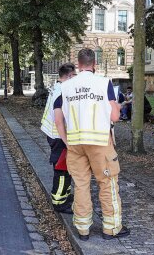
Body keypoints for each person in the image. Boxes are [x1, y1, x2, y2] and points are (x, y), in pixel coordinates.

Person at [54, 48, 130, 241]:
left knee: (80, 185)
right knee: (107, 184)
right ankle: (111, 228)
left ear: (78, 64)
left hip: (75, 143)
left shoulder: (66, 86)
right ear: (94, 64)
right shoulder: (104, 83)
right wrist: (118, 107)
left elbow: (58, 120)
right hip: (99, 142)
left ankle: (83, 228)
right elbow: (114, 116)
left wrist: (66, 141)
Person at [40, 63, 76, 214]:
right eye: (74, 75)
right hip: (59, 136)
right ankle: (59, 202)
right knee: (62, 169)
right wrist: (67, 141)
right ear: (68, 76)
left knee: (63, 167)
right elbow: (59, 119)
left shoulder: (57, 87)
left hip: (52, 134)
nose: (76, 78)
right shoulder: (63, 91)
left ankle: (64, 195)